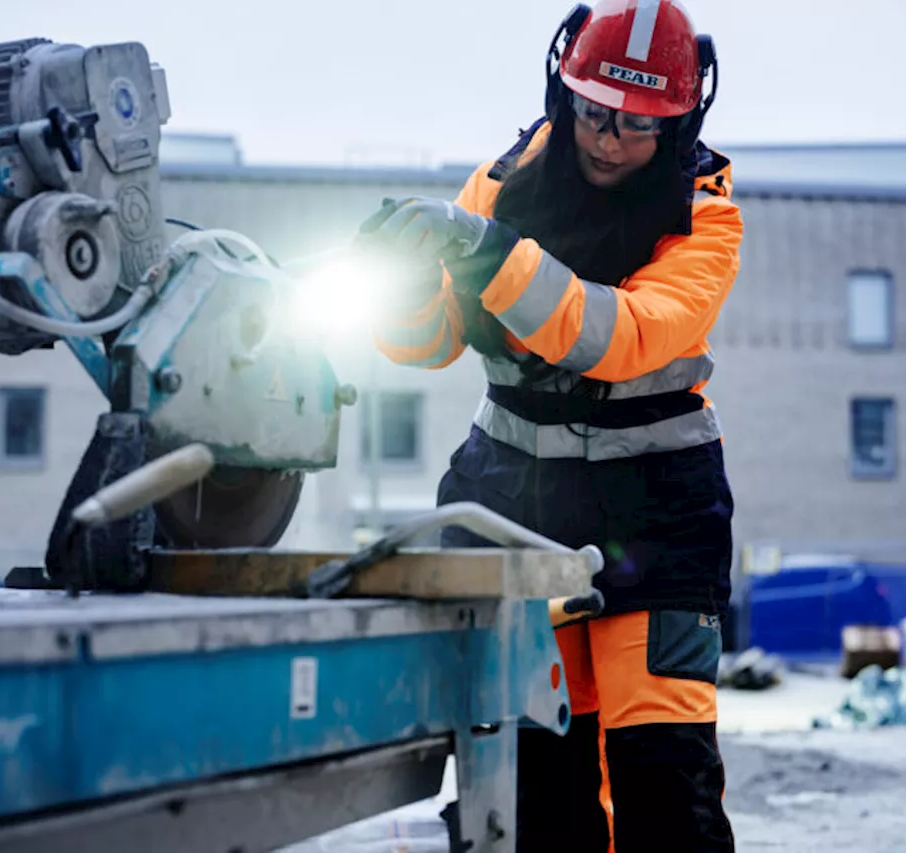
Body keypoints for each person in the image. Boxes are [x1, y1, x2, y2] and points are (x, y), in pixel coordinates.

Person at [358, 1, 743, 849]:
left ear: (679, 121)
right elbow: (427, 344)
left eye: (639, 125)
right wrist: (404, 283)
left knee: (661, 779)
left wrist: (491, 255)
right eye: (595, 110)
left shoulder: (706, 215)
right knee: (533, 784)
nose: (609, 138)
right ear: (562, 89)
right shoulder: (496, 186)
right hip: (511, 507)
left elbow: (619, 337)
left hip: (656, 515)